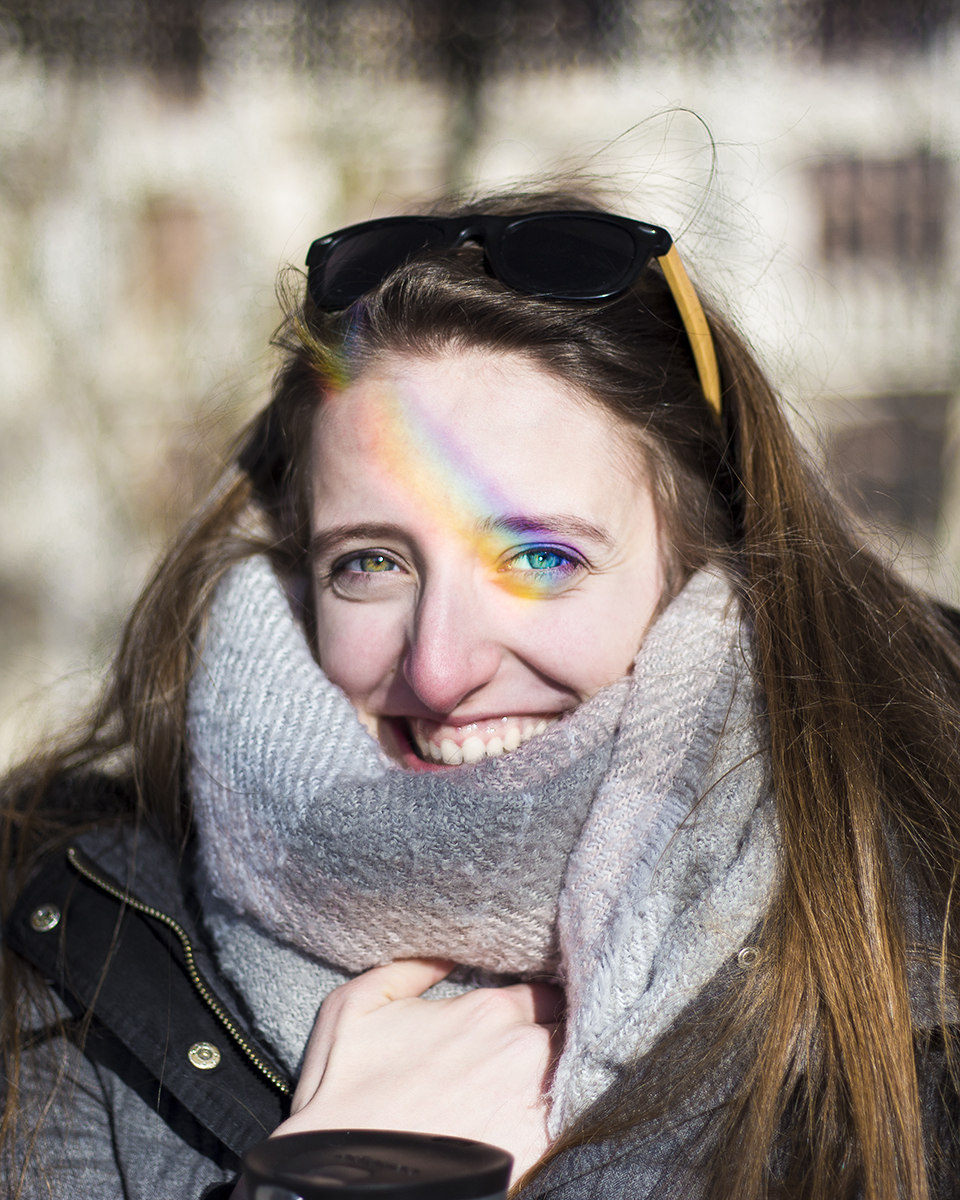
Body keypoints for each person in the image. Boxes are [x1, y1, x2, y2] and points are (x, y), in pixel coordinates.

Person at [3, 183, 960, 1200]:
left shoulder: (921, 936)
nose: (439, 669)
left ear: (701, 567)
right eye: (370, 563)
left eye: (542, 558)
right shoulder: (68, 964)